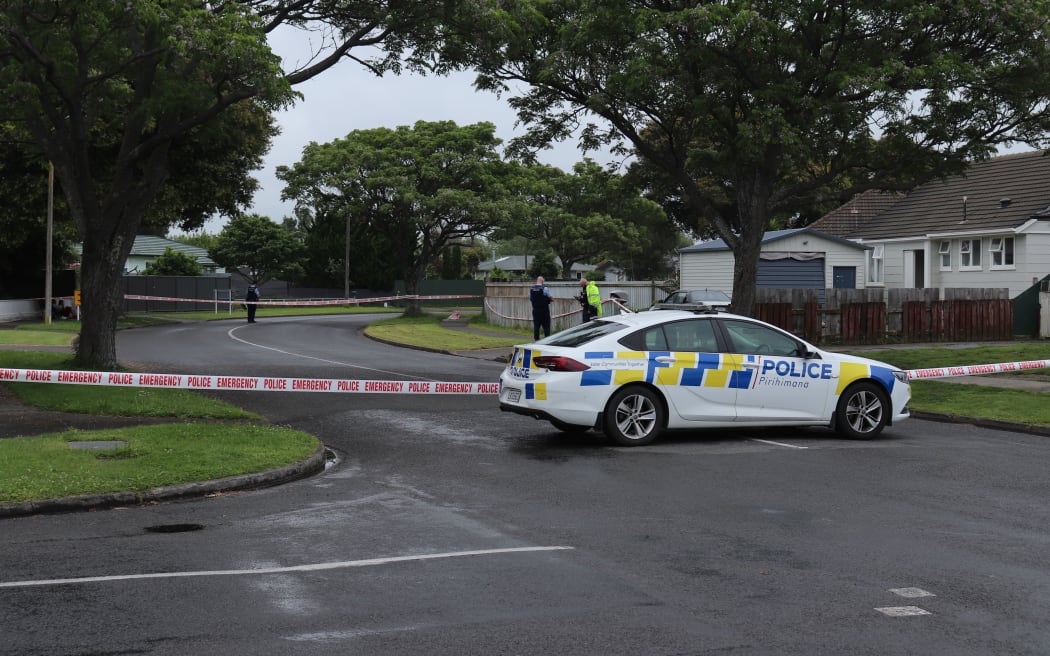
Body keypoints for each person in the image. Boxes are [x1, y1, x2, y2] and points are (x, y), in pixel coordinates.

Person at [529, 276, 553, 340]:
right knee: (546, 326)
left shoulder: (531, 289)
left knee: (536, 326)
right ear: (542, 281)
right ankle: (547, 340)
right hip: (544, 311)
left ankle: (536, 339)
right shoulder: (544, 288)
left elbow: (531, 299)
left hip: (535, 310)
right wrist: (549, 300)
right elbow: (551, 297)